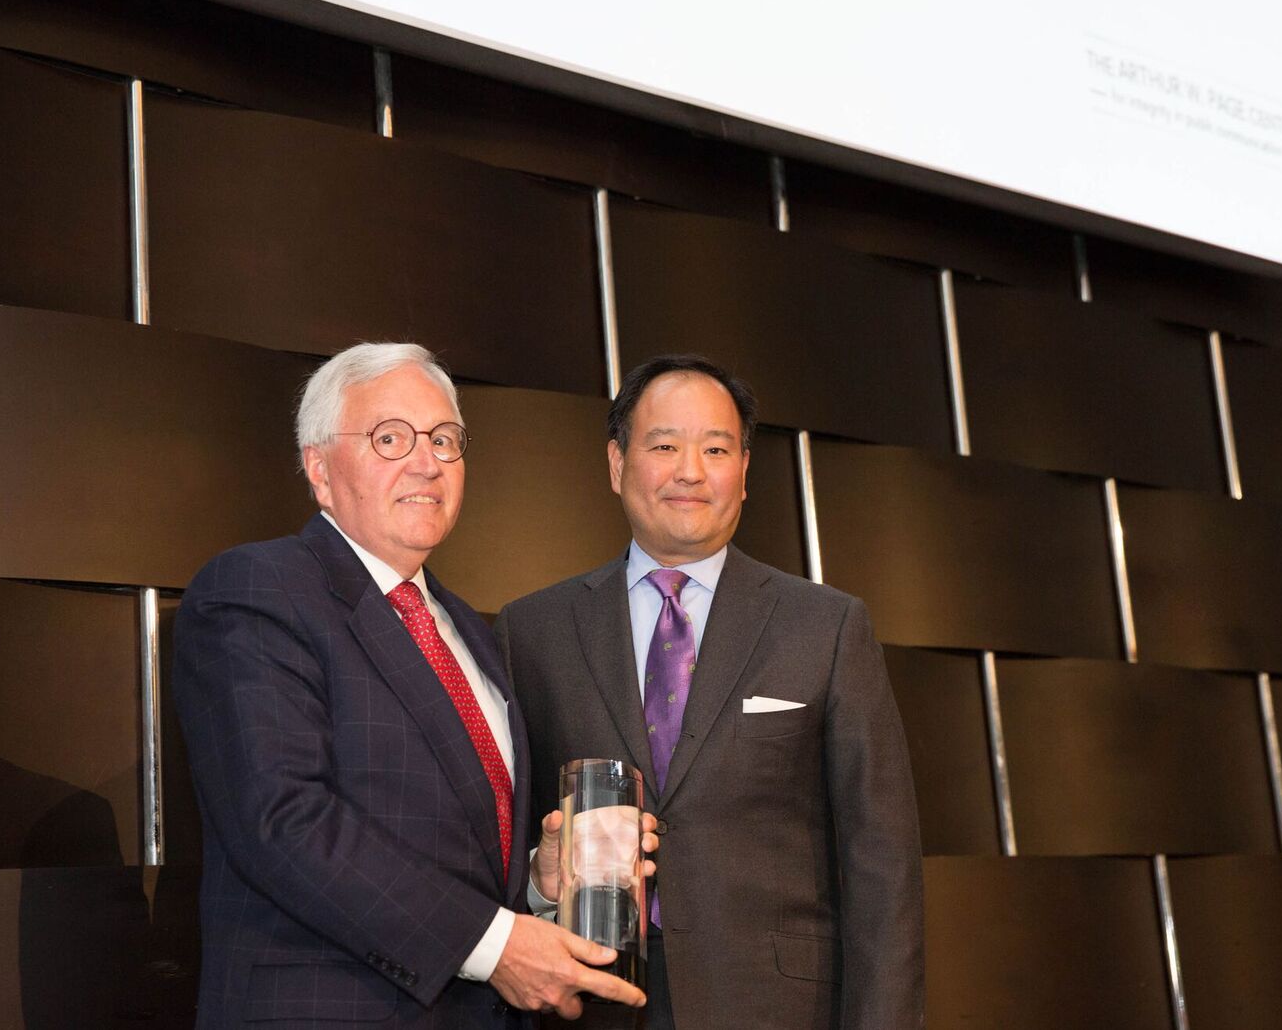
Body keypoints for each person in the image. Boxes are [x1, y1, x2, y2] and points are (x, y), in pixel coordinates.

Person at [172, 343, 649, 1029]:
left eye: (445, 440)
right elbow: (281, 820)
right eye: (390, 438)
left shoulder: (472, 632)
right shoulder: (258, 590)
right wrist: (497, 944)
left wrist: (543, 884)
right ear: (319, 467)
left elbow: (465, 852)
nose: (426, 462)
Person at [496, 355, 924, 1029]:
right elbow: (504, 836)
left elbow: (883, 864)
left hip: (777, 1006)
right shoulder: (533, 630)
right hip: (589, 1003)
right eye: (663, 445)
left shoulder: (827, 626)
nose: (690, 471)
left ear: (745, 472)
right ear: (616, 465)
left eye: (716, 448)